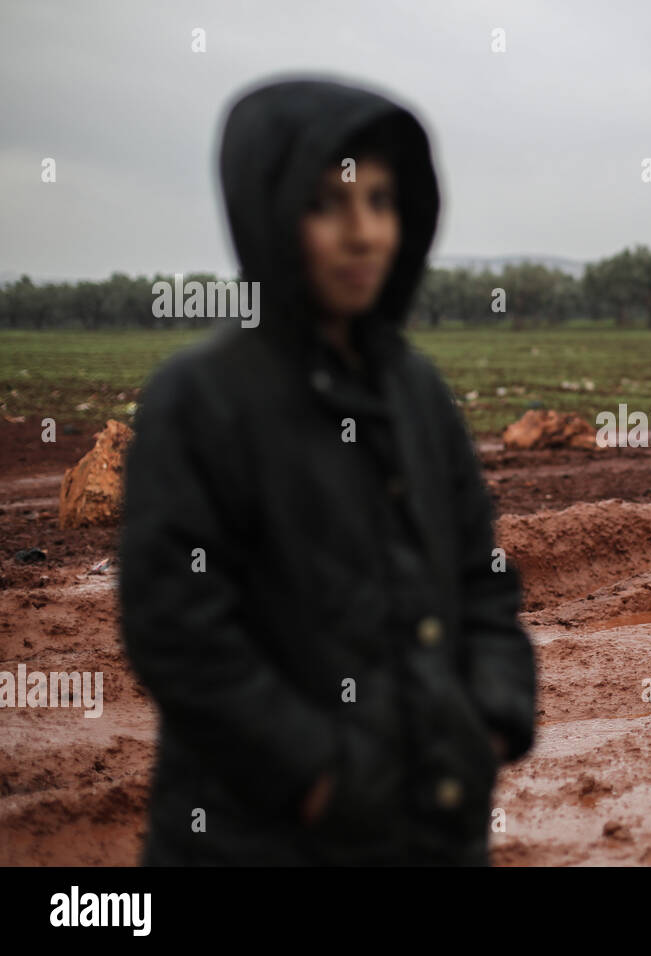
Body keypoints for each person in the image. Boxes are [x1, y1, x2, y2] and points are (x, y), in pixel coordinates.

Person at [118, 76, 536, 865]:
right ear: (268, 214)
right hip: (264, 839)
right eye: (327, 205)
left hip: (432, 825)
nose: (363, 233)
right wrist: (318, 777)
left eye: (381, 201)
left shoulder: (415, 390)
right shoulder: (203, 400)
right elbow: (178, 632)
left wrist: (490, 717)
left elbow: (484, 579)